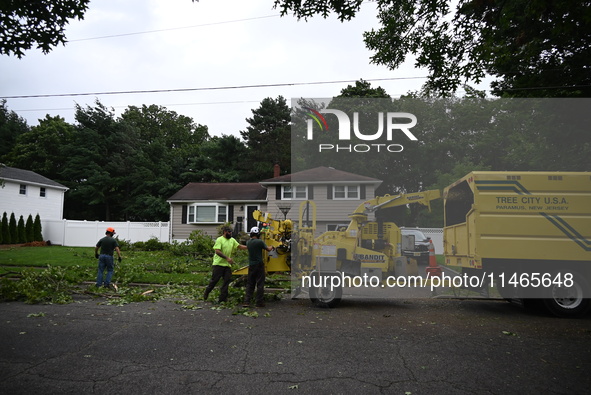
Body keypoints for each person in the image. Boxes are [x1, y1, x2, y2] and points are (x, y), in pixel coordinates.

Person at [204, 226, 246, 303]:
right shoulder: (220, 240)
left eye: (231, 232)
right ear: (225, 232)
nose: (230, 233)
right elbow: (217, 251)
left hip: (227, 265)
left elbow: (239, 246)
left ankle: (223, 299)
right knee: (215, 280)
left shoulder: (232, 240)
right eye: (229, 232)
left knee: (226, 281)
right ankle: (207, 291)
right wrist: (227, 258)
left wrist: (249, 247)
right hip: (218, 264)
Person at [243, 226, 273, 308]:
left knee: (250, 284)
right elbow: (268, 249)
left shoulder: (248, 242)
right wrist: (272, 246)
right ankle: (259, 302)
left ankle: (247, 301)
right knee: (260, 284)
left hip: (251, 265)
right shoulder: (260, 242)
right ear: (258, 234)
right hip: (259, 265)